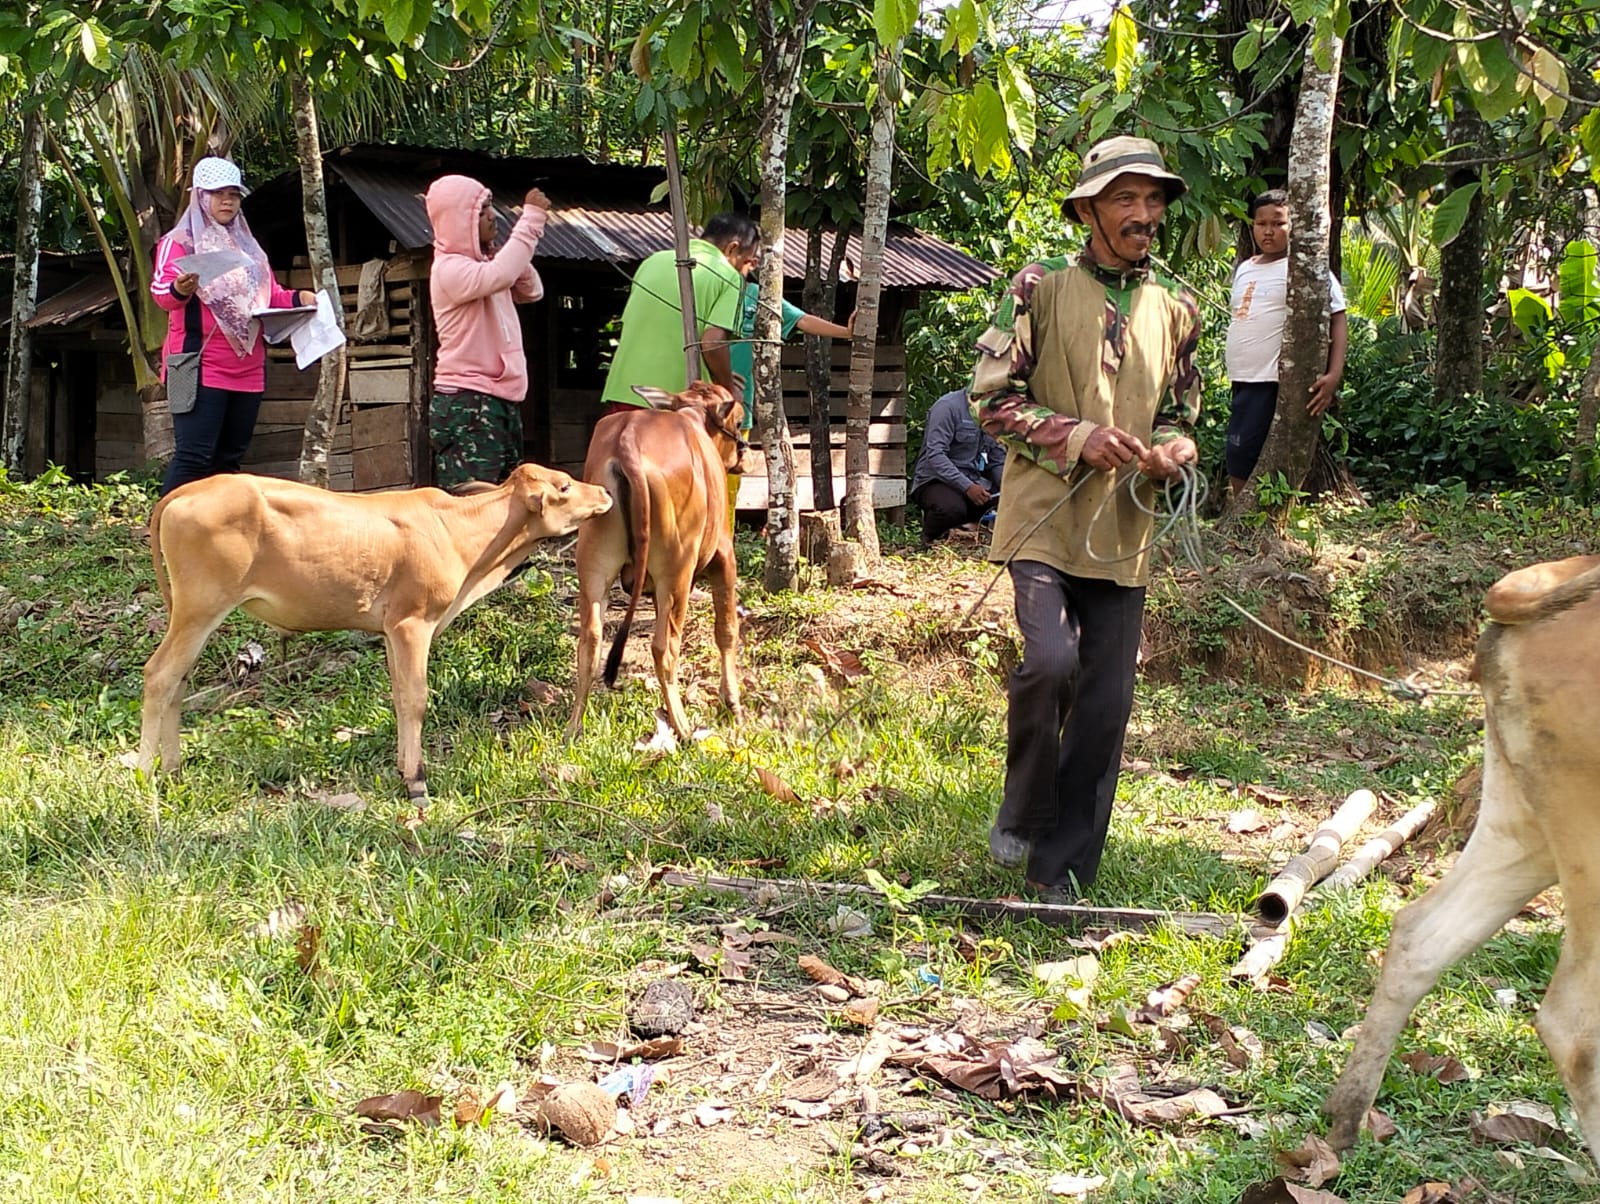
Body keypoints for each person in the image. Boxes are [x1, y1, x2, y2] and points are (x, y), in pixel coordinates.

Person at [969, 135, 1202, 902]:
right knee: (1049, 663)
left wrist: (1172, 449)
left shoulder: (1180, 305)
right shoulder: (1038, 286)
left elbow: (1177, 413)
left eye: (1152, 199)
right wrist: (1077, 436)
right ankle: (1026, 810)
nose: (1142, 214)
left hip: (1124, 530)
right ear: (1088, 209)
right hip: (1044, 519)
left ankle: (1059, 870)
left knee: (1108, 702)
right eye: (1123, 199)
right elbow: (991, 400)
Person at [152, 156, 316, 496]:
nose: (227, 201)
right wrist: (179, 289)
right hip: (195, 365)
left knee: (228, 463)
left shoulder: (249, 248)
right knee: (194, 457)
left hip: (248, 368)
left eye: (234, 194)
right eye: (218, 193)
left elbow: (270, 296)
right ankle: (163, 530)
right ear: (199, 196)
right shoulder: (179, 242)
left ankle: (211, 541)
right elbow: (161, 294)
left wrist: (300, 299)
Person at [425, 175, 551, 491]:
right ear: (459, 222)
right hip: (468, 404)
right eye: (481, 211)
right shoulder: (449, 269)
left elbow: (532, 290)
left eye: (490, 207)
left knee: (507, 502)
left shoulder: (484, 267)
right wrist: (531, 221)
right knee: (473, 507)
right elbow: (501, 274)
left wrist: (504, 253)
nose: (493, 216)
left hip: (498, 401)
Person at [1224, 188, 1348, 492]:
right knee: (1238, 451)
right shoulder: (1245, 268)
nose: (1268, 231)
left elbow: (1338, 316)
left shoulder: (1305, 268)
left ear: (1294, 227)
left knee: (1243, 452)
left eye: (1278, 223)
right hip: (1242, 377)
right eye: (1261, 223)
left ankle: (1246, 522)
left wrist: (1333, 374)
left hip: (1270, 380)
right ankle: (1241, 519)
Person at [725, 267, 854, 524]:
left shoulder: (757, 295)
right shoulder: (705, 292)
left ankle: (723, 548)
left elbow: (802, 320)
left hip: (739, 409)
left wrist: (846, 332)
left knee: (728, 485)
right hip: (699, 406)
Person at [599, 213, 756, 417]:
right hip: (680, 400)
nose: (746, 271)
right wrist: (727, 387)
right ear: (732, 248)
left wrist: (719, 374)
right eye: (746, 262)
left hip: (623, 391)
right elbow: (712, 342)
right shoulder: (728, 275)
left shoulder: (652, 261)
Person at [910, 387, 1003, 546]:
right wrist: (967, 487)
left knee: (1014, 502)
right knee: (951, 509)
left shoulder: (994, 411)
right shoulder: (947, 407)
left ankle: (971, 536)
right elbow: (936, 455)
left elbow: (997, 459)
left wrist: (1007, 486)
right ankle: (930, 541)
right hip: (935, 480)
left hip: (974, 480)